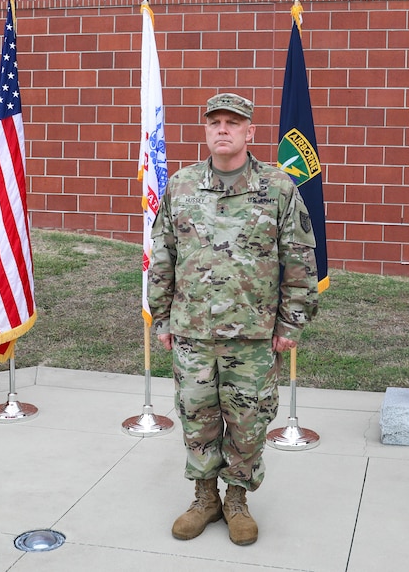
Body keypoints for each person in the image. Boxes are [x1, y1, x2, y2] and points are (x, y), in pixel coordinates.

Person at [149, 92, 319, 546]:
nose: (222, 129)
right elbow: (162, 255)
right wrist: (160, 318)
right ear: (205, 130)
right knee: (197, 417)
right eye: (214, 122)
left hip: (254, 334)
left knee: (248, 421)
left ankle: (237, 499)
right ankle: (205, 497)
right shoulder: (180, 186)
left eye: (232, 122)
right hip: (192, 333)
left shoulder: (279, 188)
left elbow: (300, 261)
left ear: (250, 132)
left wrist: (291, 324)